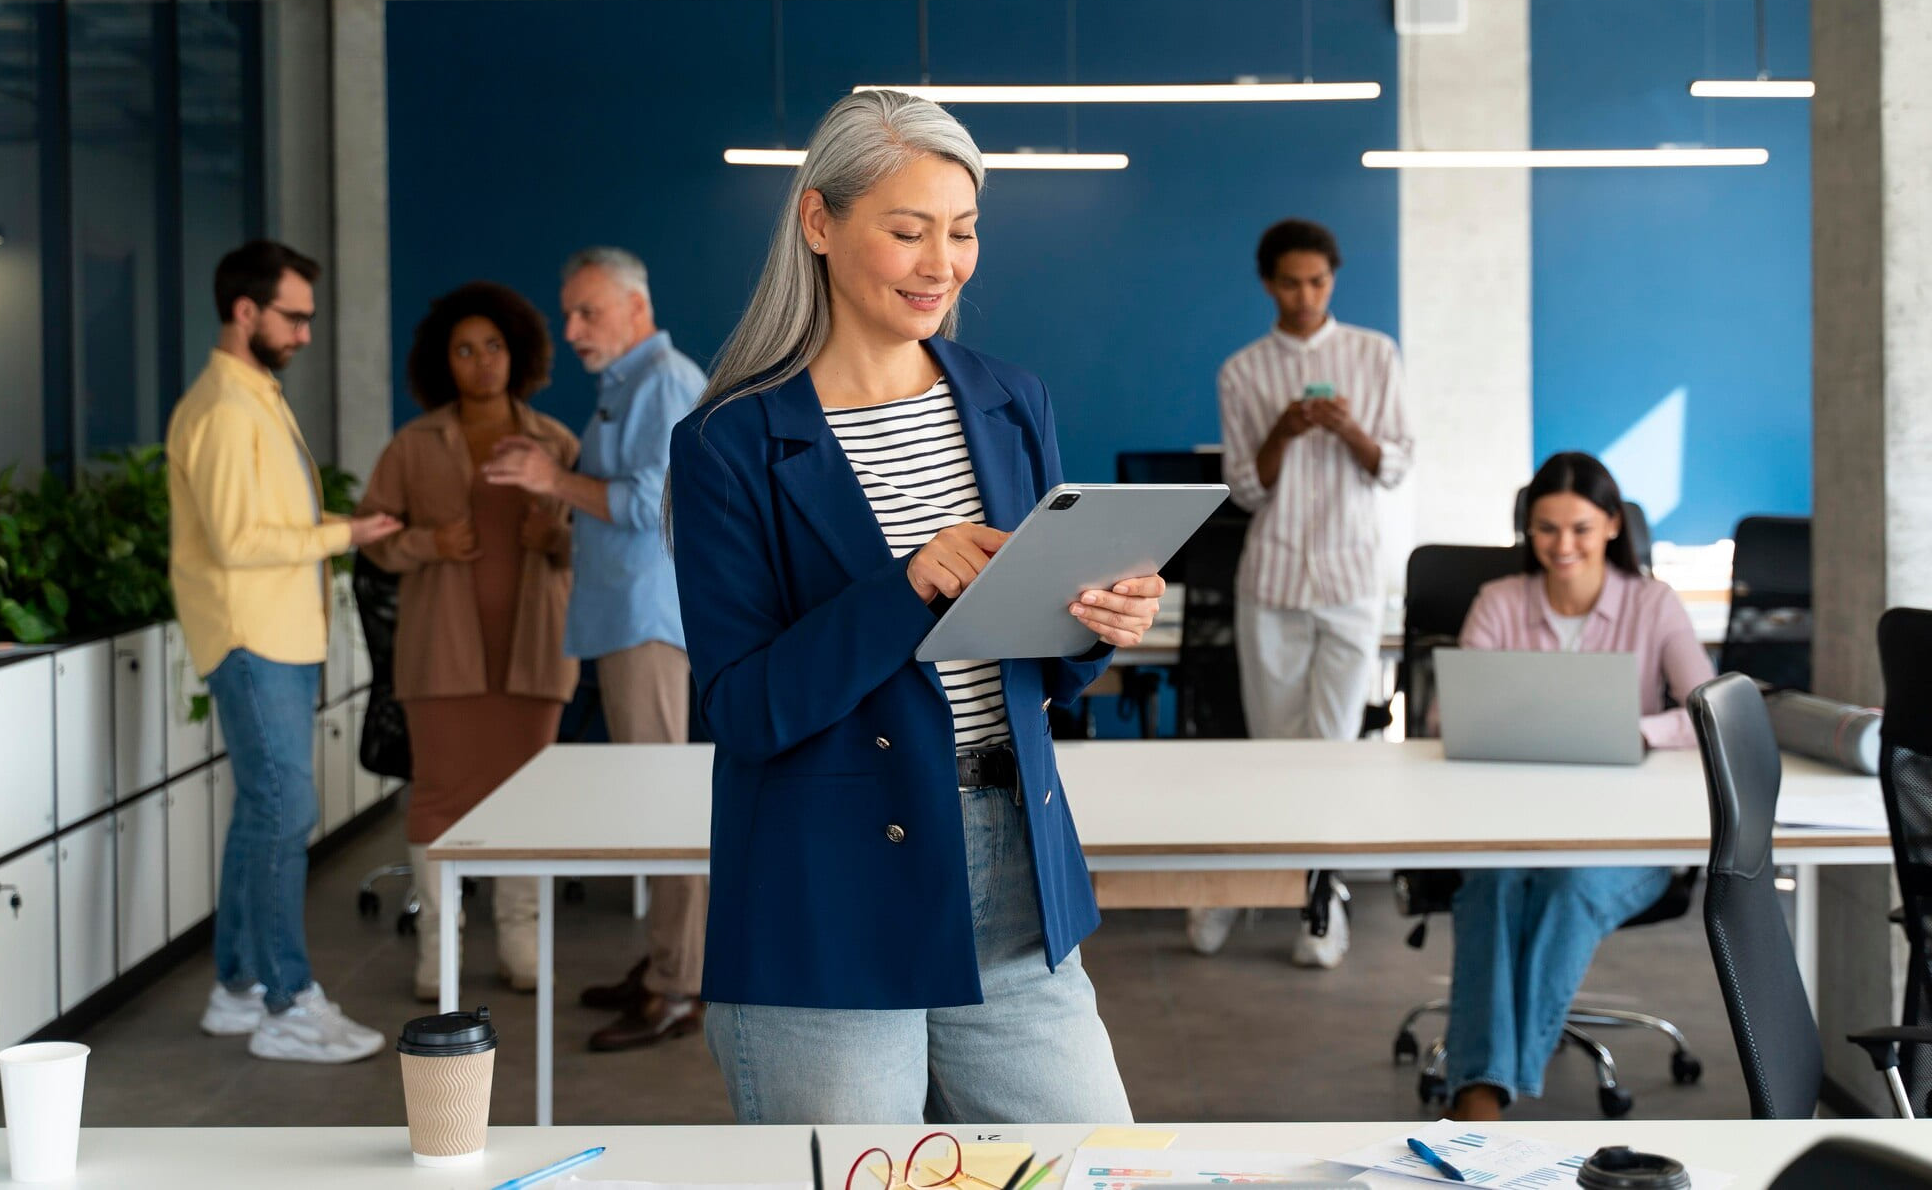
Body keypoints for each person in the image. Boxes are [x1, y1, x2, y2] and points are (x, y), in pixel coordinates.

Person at [667, 88, 1161, 1124]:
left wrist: (1094, 622)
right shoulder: (728, 442)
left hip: (1013, 877)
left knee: (1104, 1166)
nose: (942, 262)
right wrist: (904, 586)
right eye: (907, 230)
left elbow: (1031, 663)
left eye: (962, 230)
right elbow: (743, 708)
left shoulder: (1008, 398)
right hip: (827, 895)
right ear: (818, 223)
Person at [167, 239, 402, 1063]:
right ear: (245, 311)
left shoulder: (254, 393)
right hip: (251, 636)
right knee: (282, 811)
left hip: (277, 636)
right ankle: (286, 1000)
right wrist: (348, 532)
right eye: (293, 316)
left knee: (262, 811)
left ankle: (236, 986)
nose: (305, 331)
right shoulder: (227, 409)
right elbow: (237, 540)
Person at [482, 246, 709, 1052]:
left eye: (589, 311)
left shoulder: (665, 380)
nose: (572, 328)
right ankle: (663, 967)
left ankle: (682, 985)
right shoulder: (625, 386)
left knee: (668, 808)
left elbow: (654, 502)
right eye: (568, 313)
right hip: (619, 617)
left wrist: (551, 480)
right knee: (652, 805)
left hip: (648, 621)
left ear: (636, 309)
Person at [1443, 451, 1715, 1120]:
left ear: (1613, 526)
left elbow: (1709, 707)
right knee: (1493, 885)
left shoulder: (1653, 603)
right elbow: (1454, 711)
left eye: (1580, 528)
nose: (1562, 546)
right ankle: (1482, 1089)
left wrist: (1639, 729)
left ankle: (1485, 1087)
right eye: (1545, 528)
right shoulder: (1499, 601)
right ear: (1527, 530)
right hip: (1512, 824)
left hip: (1624, 835)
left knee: (1569, 886)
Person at [1198, 217, 1413, 966]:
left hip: (1352, 578)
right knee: (1275, 751)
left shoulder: (1373, 353)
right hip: (1275, 577)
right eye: (1290, 281)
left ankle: (1324, 902)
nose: (1304, 294)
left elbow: (1394, 465)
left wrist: (1349, 430)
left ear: (1334, 279)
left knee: (1333, 749)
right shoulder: (1243, 370)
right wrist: (1285, 431)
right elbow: (1247, 490)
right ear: (1268, 283)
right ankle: (1250, 885)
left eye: (1318, 281)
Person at [357, 281, 580, 1002]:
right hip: (440, 652)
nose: (482, 362)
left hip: (535, 649)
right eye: (464, 350)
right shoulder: (413, 443)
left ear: (517, 354)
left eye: (494, 347)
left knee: (530, 798)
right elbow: (374, 535)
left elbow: (604, 542)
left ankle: (520, 939)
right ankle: (439, 947)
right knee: (439, 795)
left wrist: (556, 537)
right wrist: (427, 541)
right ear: (440, 362)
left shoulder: (556, 442)